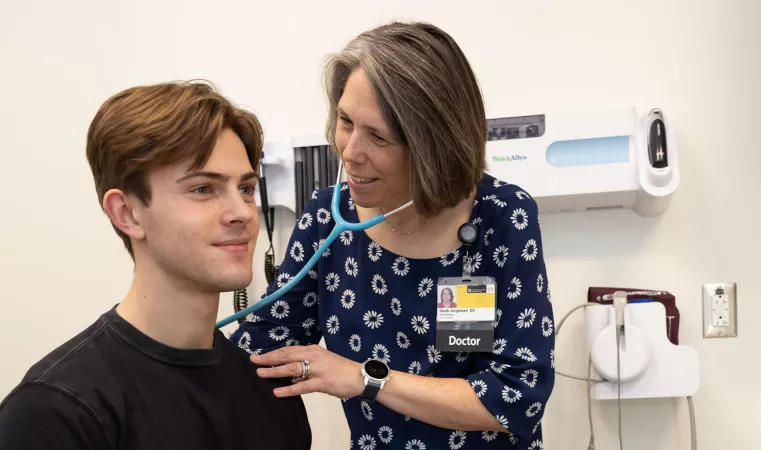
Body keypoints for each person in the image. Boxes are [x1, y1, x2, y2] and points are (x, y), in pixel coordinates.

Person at [232, 21, 554, 449]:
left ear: (433, 147)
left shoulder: (499, 218)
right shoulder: (330, 220)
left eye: (378, 137)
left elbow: (517, 399)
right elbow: (261, 353)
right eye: (346, 121)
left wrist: (364, 378)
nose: (349, 151)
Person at [0, 81, 312, 450]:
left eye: (245, 188)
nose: (242, 212)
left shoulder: (270, 391)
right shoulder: (58, 411)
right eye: (203, 189)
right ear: (127, 213)